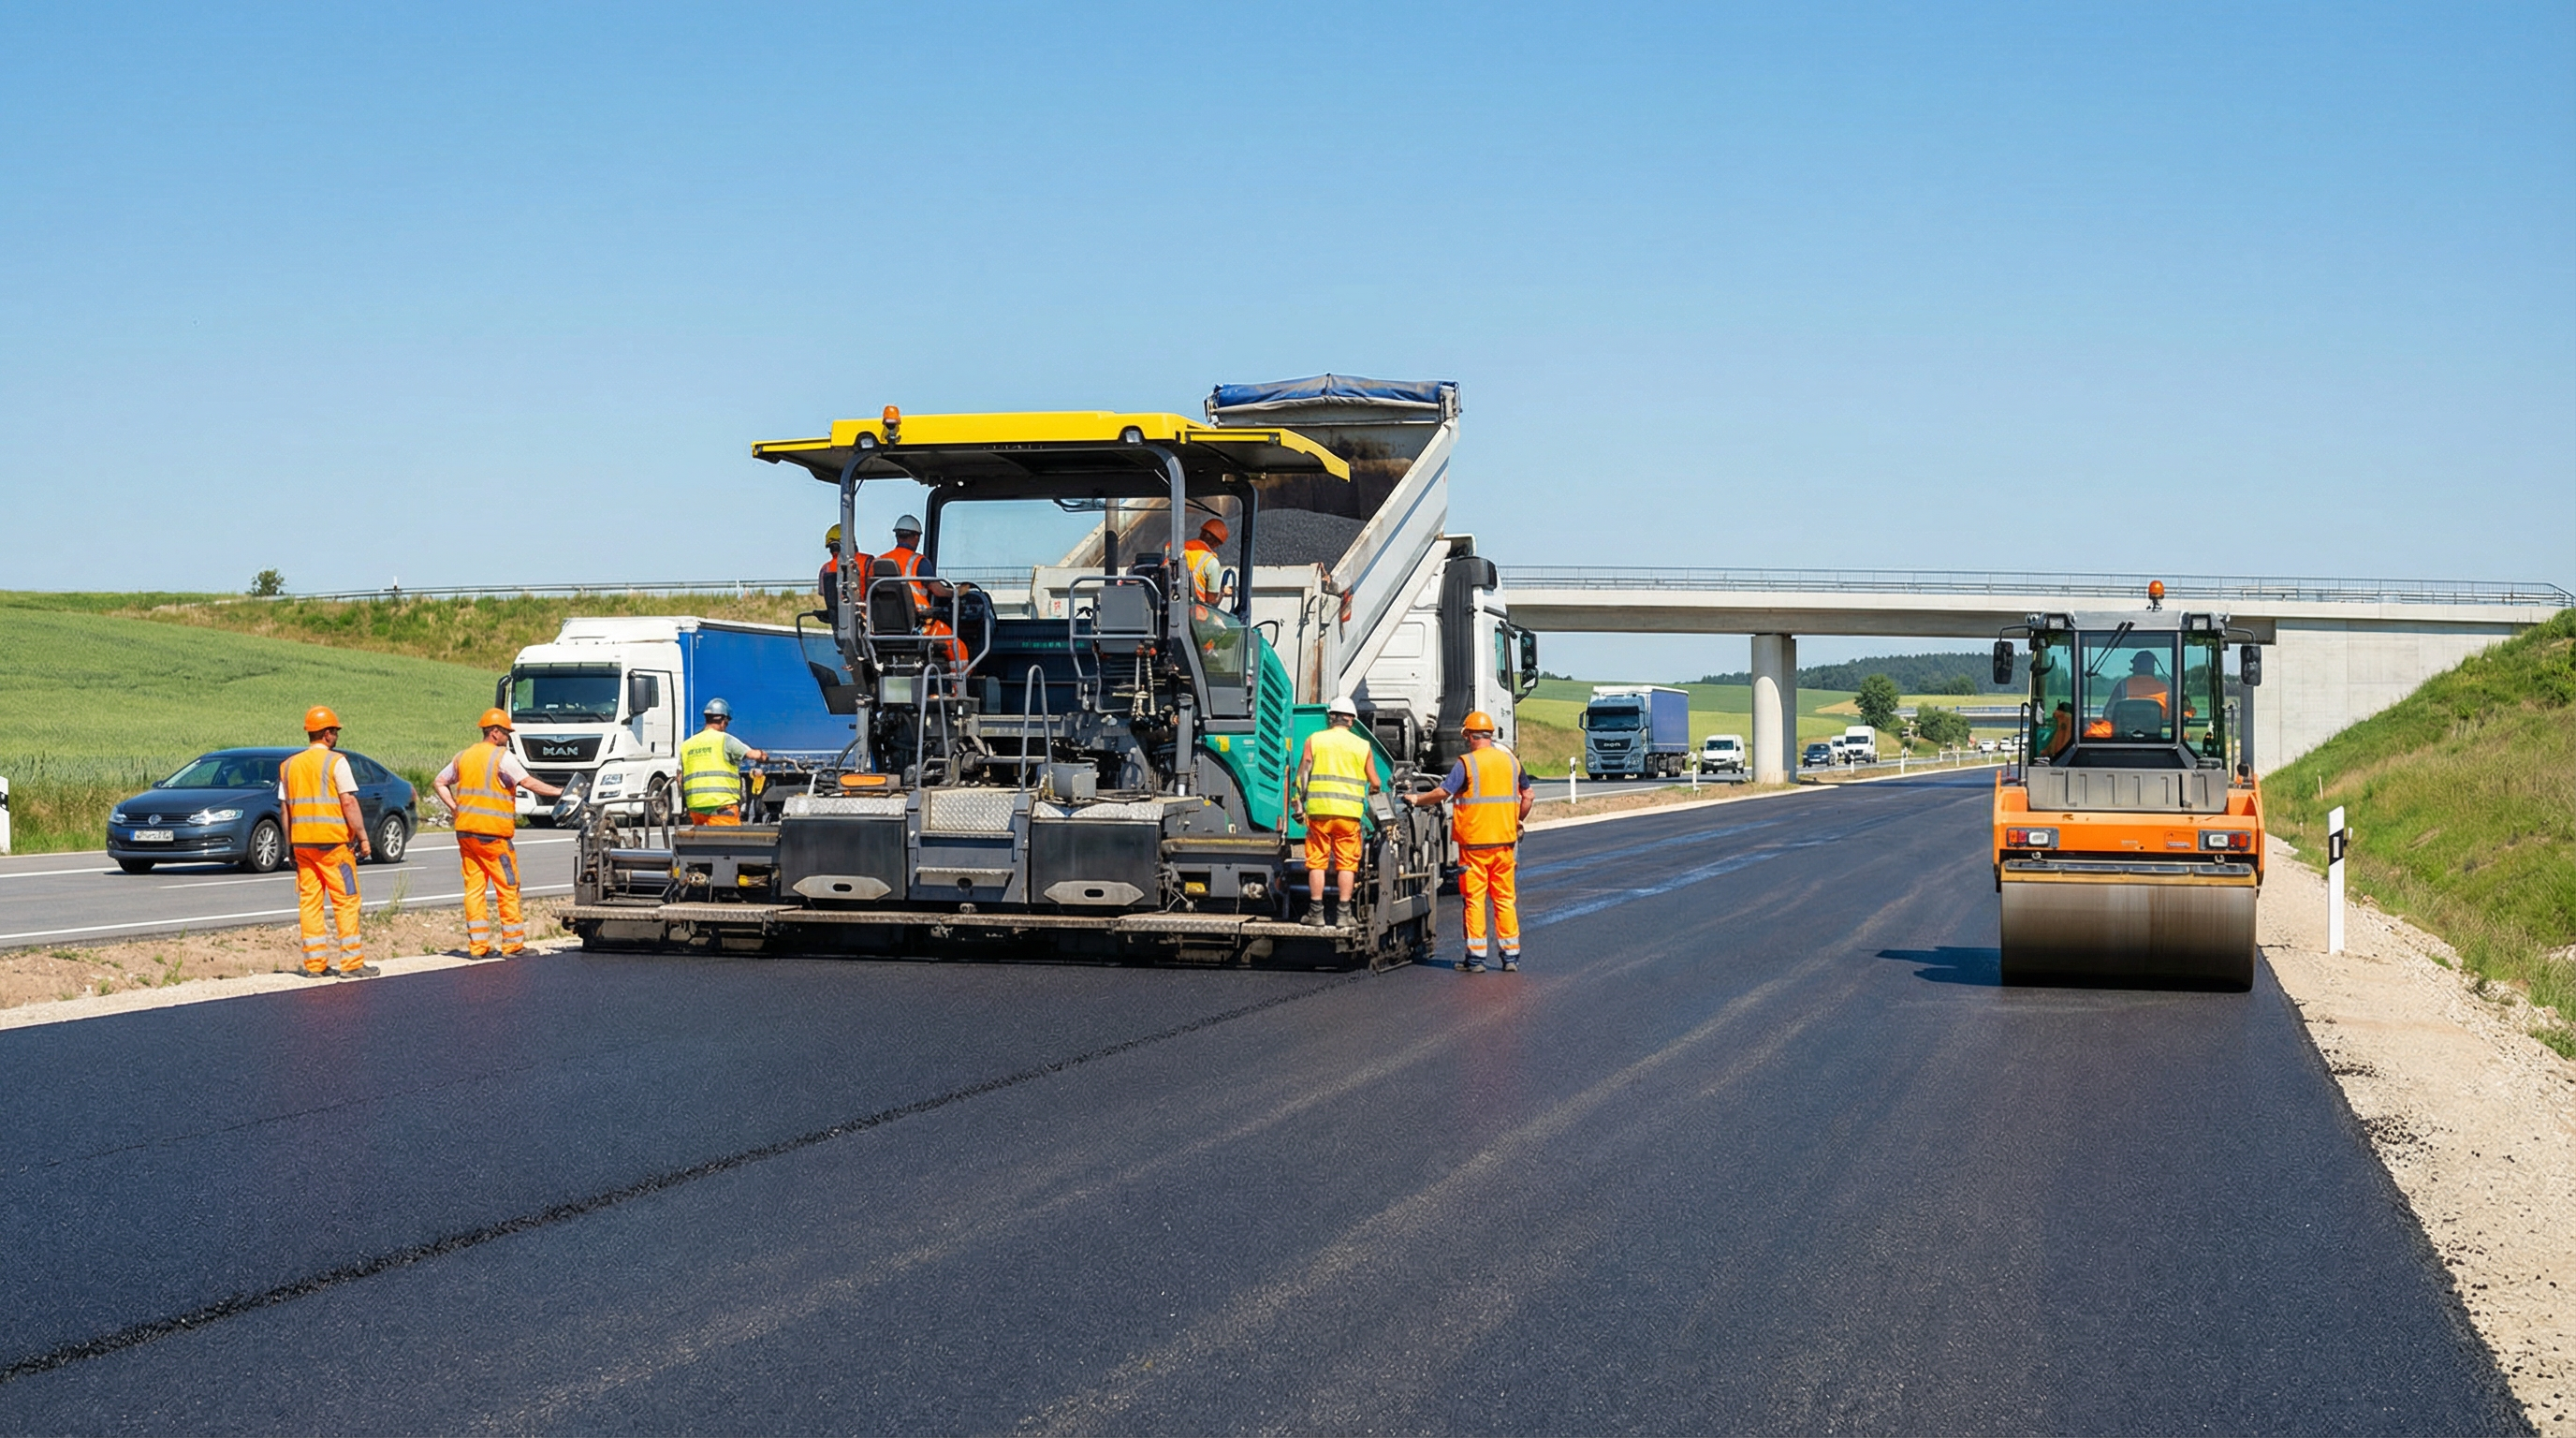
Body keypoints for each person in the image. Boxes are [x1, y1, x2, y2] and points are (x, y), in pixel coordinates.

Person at [1409, 709, 1534, 973]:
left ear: (1469, 736)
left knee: (1475, 900)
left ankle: (1476, 960)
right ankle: (1511, 958)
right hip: (1505, 844)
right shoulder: (1512, 762)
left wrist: (1417, 799)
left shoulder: (1466, 763)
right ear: (1490, 735)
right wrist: (1516, 821)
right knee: (1504, 899)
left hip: (1474, 847)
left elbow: (1443, 792)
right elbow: (1528, 796)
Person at [434, 708, 564, 959]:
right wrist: (559, 792)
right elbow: (528, 782)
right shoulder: (502, 757)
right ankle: (513, 945)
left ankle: (478, 947)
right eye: (506, 732)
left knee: (474, 889)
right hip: (493, 835)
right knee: (508, 887)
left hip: (466, 833)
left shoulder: (463, 756)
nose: (508, 737)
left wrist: (455, 807)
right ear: (494, 732)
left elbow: (440, 782)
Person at [280, 705, 375, 977]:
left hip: (303, 846)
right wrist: (363, 837)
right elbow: (349, 801)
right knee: (346, 900)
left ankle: (315, 965)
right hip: (334, 846)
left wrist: (289, 846)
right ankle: (352, 963)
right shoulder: (336, 762)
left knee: (310, 903)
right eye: (335, 731)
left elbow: (285, 809)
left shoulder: (288, 766)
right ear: (327, 733)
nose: (336, 735)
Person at [1292, 695, 1382, 930]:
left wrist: (1300, 801)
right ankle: (1343, 914)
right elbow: (1376, 782)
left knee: (1317, 862)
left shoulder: (1315, 740)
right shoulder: (1362, 746)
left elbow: (1303, 775)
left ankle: (1316, 913)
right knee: (1347, 864)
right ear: (1351, 720)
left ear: (1330, 717)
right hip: (1349, 816)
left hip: (1319, 813)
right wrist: (1371, 791)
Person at [678, 697, 768, 825]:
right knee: (729, 837)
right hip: (722, 807)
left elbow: (679, 778)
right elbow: (753, 755)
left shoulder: (687, 745)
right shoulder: (725, 740)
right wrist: (763, 756)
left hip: (696, 808)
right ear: (723, 722)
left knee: (703, 837)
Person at [1181, 517, 1230, 604]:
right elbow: (1211, 600)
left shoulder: (1176, 548)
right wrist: (1222, 592)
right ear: (1216, 543)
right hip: (1195, 608)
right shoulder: (1212, 563)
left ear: (1202, 532)